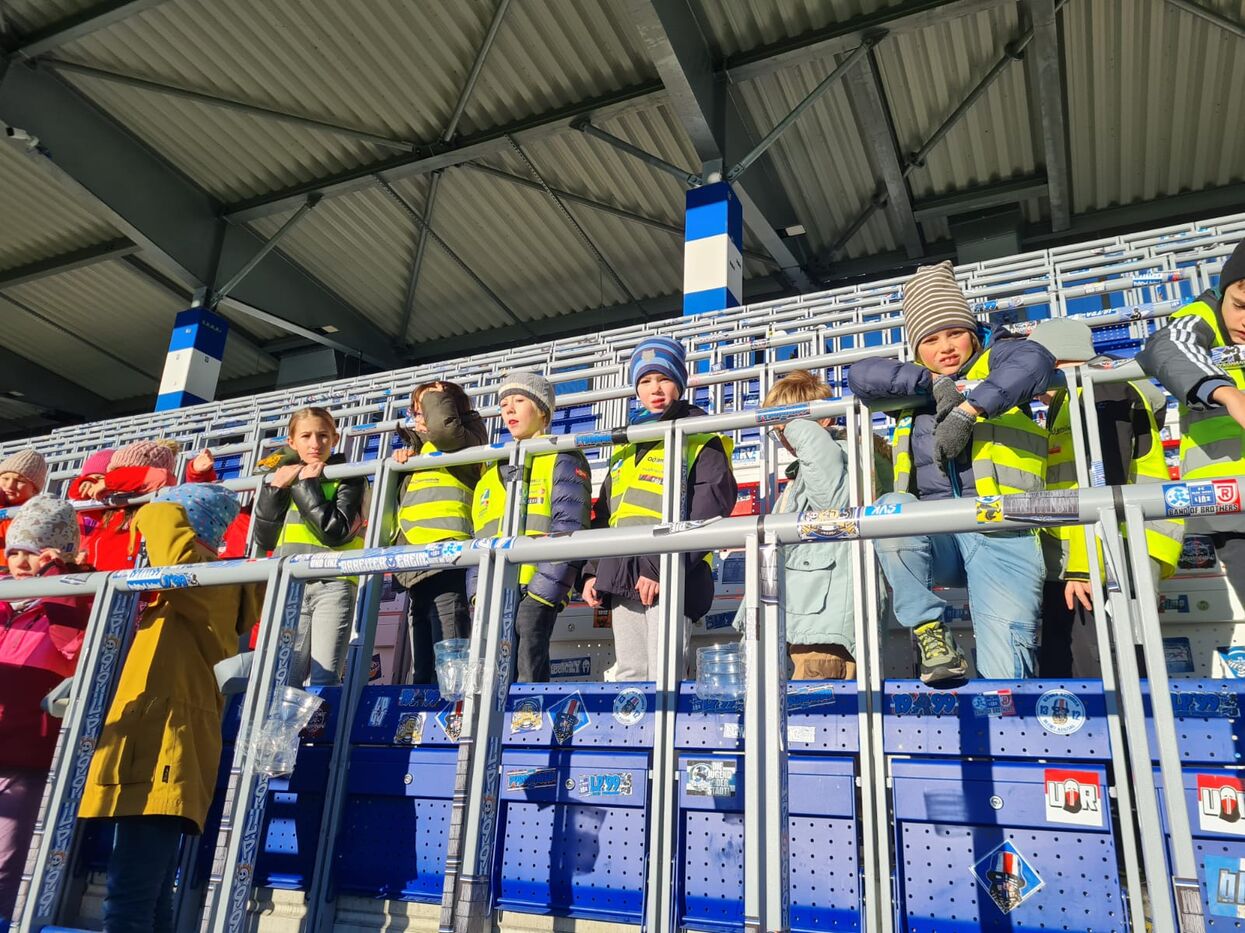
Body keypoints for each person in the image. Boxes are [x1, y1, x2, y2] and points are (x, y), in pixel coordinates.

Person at [847, 261, 1055, 685]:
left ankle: (1008, 722)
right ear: (917, 349)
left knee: (1007, 673)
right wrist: (933, 384)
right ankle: (930, 633)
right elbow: (860, 376)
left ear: (973, 334)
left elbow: (1036, 360)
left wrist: (968, 409)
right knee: (890, 508)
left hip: (1004, 529)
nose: (945, 347)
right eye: (930, 339)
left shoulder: (1000, 356)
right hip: (938, 531)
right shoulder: (910, 380)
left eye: (955, 333)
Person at [78, 485, 260, 933]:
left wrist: (155, 506)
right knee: (150, 899)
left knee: (128, 903)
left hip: (164, 754)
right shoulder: (185, 591)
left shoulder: (211, 584)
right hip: (152, 752)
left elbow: (174, 555)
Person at [1028, 318, 1184, 676]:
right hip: (1097, 551)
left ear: (1051, 360)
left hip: (1111, 552)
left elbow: (1106, 480)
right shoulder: (1079, 393)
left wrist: (1086, 566)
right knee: (1091, 669)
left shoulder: (1102, 386)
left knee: (1109, 671)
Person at [581, 336, 738, 680]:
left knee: (664, 675)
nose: (654, 389)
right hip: (621, 573)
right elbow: (607, 514)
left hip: (673, 575)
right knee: (631, 675)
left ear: (679, 383)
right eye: (645, 381)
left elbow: (708, 512)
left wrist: (658, 566)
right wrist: (593, 569)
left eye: (664, 378)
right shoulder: (626, 442)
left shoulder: (701, 434)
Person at [1138, 238, 1245, 608]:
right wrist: (1227, 393)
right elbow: (1167, 344)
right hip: (1232, 508)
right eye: (1239, 306)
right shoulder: (1200, 316)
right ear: (1223, 293)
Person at [0, 498, 92, 926]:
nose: (21, 562)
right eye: (15, 551)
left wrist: (58, 578)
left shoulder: (73, 596)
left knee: (5, 865)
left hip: (27, 756)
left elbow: (76, 646)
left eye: (34, 552)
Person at [466, 371, 591, 682]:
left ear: (543, 412)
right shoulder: (490, 468)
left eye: (519, 401)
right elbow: (478, 537)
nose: (509, 409)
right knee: (491, 678)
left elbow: (570, 526)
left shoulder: (562, 456)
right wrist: (477, 593)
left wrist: (541, 594)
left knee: (527, 676)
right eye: (503, 404)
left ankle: (527, 716)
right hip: (494, 589)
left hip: (535, 589)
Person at [739, 371, 858, 679]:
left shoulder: (844, 456)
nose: (784, 438)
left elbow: (831, 507)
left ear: (823, 421)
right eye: (779, 431)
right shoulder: (805, 472)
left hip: (824, 629)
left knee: (820, 708)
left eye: (787, 428)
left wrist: (796, 425)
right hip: (802, 619)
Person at [253, 407, 367, 686]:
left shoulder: (351, 476)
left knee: (324, 678)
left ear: (335, 439)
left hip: (333, 584)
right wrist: (274, 491)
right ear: (291, 442)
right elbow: (265, 539)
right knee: (282, 678)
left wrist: (306, 486)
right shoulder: (282, 477)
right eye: (305, 436)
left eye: (323, 435)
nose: (315, 443)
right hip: (291, 586)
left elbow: (336, 532)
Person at [392, 380, 487, 684]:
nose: (419, 416)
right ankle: (422, 707)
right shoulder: (417, 451)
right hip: (415, 561)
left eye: (427, 408)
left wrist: (434, 395)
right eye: (416, 410)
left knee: (450, 662)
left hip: (449, 556)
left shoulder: (468, 438)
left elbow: (445, 433)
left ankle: (452, 710)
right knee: (423, 664)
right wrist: (403, 464)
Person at [77, 441, 179, 571]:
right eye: (114, 472)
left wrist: (110, 481)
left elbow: (163, 478)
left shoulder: (152, 504)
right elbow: (76, 493)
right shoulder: (111, 506)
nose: (118, 480)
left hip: (127, 579)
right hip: (99, 577)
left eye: (123, 473)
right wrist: (88, 482)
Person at [0, 449, 48, 552]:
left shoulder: (35, 514)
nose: (10, 485)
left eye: (19, 481)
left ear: (34, 489)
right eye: (5, 478)